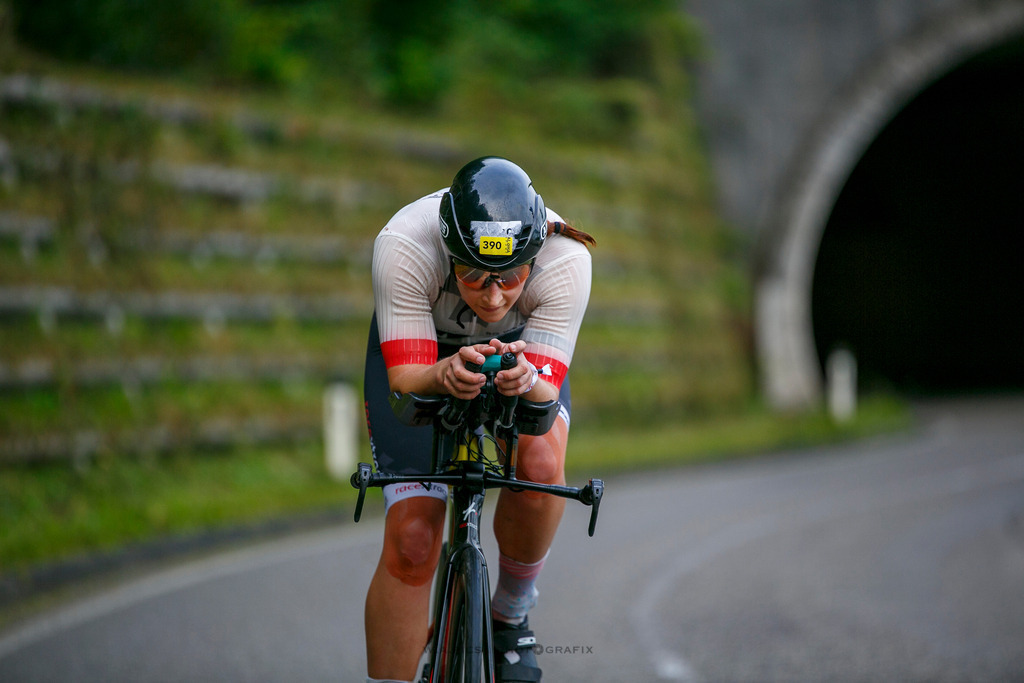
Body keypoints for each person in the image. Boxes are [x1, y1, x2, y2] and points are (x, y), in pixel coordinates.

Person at [362, 156, 595, 682]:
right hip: (424, 355)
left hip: (520, 353)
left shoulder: (565, 260)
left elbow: (543, 398)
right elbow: (405, 384)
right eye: (472, 275)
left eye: (510, 276)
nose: (493, 296)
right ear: (448, 251)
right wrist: (440, 374)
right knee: (413, 541)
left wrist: (525, 378)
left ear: (532, 257)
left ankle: (510, 614)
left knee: (537, 467)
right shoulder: (404, 245)